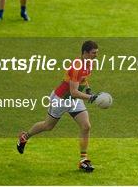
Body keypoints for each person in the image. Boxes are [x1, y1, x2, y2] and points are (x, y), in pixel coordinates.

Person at [17, 41, 102, 172]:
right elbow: (74, 91)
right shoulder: (77, 66)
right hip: (61, 99)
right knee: (48, 126)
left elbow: (84, 79)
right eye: (94, 53)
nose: (96, 55)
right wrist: (91, 97)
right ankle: (24, 137)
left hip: (74, 100)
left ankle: (83, 160)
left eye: (97, 52)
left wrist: (89, 89)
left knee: (86, 126)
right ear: (85, 53)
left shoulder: (89, 62)